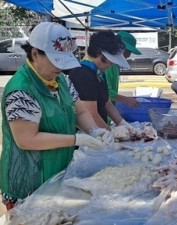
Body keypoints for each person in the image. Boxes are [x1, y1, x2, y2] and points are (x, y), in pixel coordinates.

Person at [0, 22, 114, 210]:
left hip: (56, 172)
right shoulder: (21, 90)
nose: (60, 68)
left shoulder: (60, 79)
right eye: (55, 60)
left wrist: (94, 130)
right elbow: (27, 140)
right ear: (35, 54)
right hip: (28, 180)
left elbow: (81, 111)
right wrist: (76, 139)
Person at [68, 30, 136, 132]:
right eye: (110, 61)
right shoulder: (82, 74)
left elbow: (107, 103)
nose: (111, 65)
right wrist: (112, 132)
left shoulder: (99, 73)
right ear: (98, 53)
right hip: (88, 135)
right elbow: (91, 114)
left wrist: (122, 123)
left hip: (101, 132)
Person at [105, 31, 141, 107]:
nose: (129, 55)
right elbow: (106, 91)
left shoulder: (116, 65)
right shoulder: (106, 65)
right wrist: (126, 99)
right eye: (128, 51)